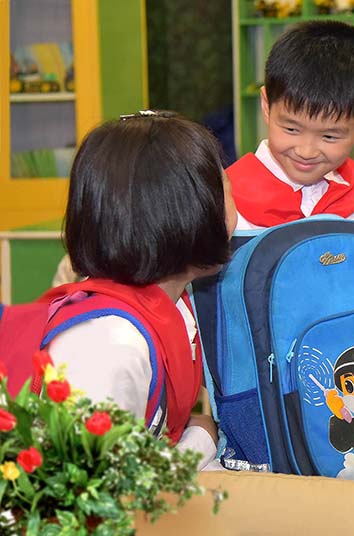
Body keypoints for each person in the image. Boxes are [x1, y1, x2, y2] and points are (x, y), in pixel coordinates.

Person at [45, 111, 238, 469]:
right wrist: (202, 438)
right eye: (226, 186)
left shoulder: (172, 305)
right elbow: (98, 487)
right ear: (185, 212)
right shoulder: (107, 343)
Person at [227, 20, 354, 242]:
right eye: (291, 129)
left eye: (329, 136)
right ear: (267, 106)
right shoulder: (223, 199)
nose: (306, 151)